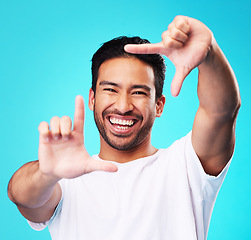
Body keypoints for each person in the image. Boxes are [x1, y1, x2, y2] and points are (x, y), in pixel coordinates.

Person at [8, 15, 240, 240]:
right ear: (92, 99)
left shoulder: (187, 167)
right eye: (110, 89)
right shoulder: (64, 180)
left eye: (138, 92)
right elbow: (21, 196)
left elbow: (222, 112)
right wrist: (47, 174)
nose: (122, 106)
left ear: (159, 105)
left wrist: (209, 53)